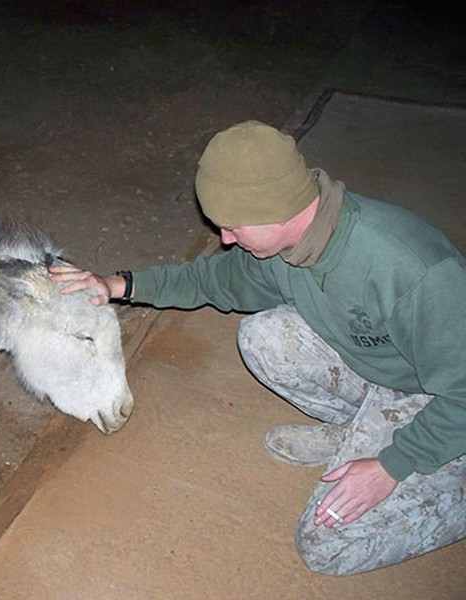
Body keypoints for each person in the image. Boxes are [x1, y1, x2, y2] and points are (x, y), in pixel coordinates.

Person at [50, 120, 466, 576]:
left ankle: (445, 481)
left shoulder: (412, 269)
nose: (225, 239)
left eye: (230, 226)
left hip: (445, 398)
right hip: (395, 373)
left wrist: (391, 464)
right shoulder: (288, 246)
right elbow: (212, 279)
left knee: (326, 546)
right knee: (263, 338)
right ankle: (357, 429)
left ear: (275, 208)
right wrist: (116, 285)